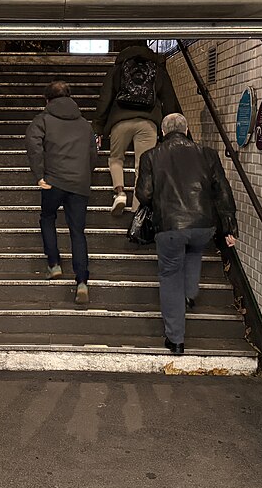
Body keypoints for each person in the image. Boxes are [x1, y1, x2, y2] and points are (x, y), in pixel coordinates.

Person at [135, 113, 239, 354]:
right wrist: (228, 225)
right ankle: (190, 294)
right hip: (203, 225)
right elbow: (222, 190)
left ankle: (176, 339)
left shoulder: (151, 156)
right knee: (193, 252)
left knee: (170, 275)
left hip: (170, 227)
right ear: (187, 129)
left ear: (162, 132)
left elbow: (144, 194)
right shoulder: (207, 153)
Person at [26, 80, 99, 305]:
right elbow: (93, 154)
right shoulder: (85, 124)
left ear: (47, 100)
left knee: (48, 217)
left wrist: (39, 174)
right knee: (77, 232)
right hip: (79, 184)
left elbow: (34, 146)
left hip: (53, 181)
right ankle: (82, 281)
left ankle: (54, 264)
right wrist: (84, 175)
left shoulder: (42, 120)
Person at [93, 44, 181, 216]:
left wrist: (98, 127)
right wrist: (169, 130)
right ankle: (137, 207)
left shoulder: (118, 69)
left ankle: (119, 193)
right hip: (148, 122)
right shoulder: (157, 70)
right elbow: (169, 99)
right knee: (143, 164)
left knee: (116, 158)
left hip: (120, 121)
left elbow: (105, 98)